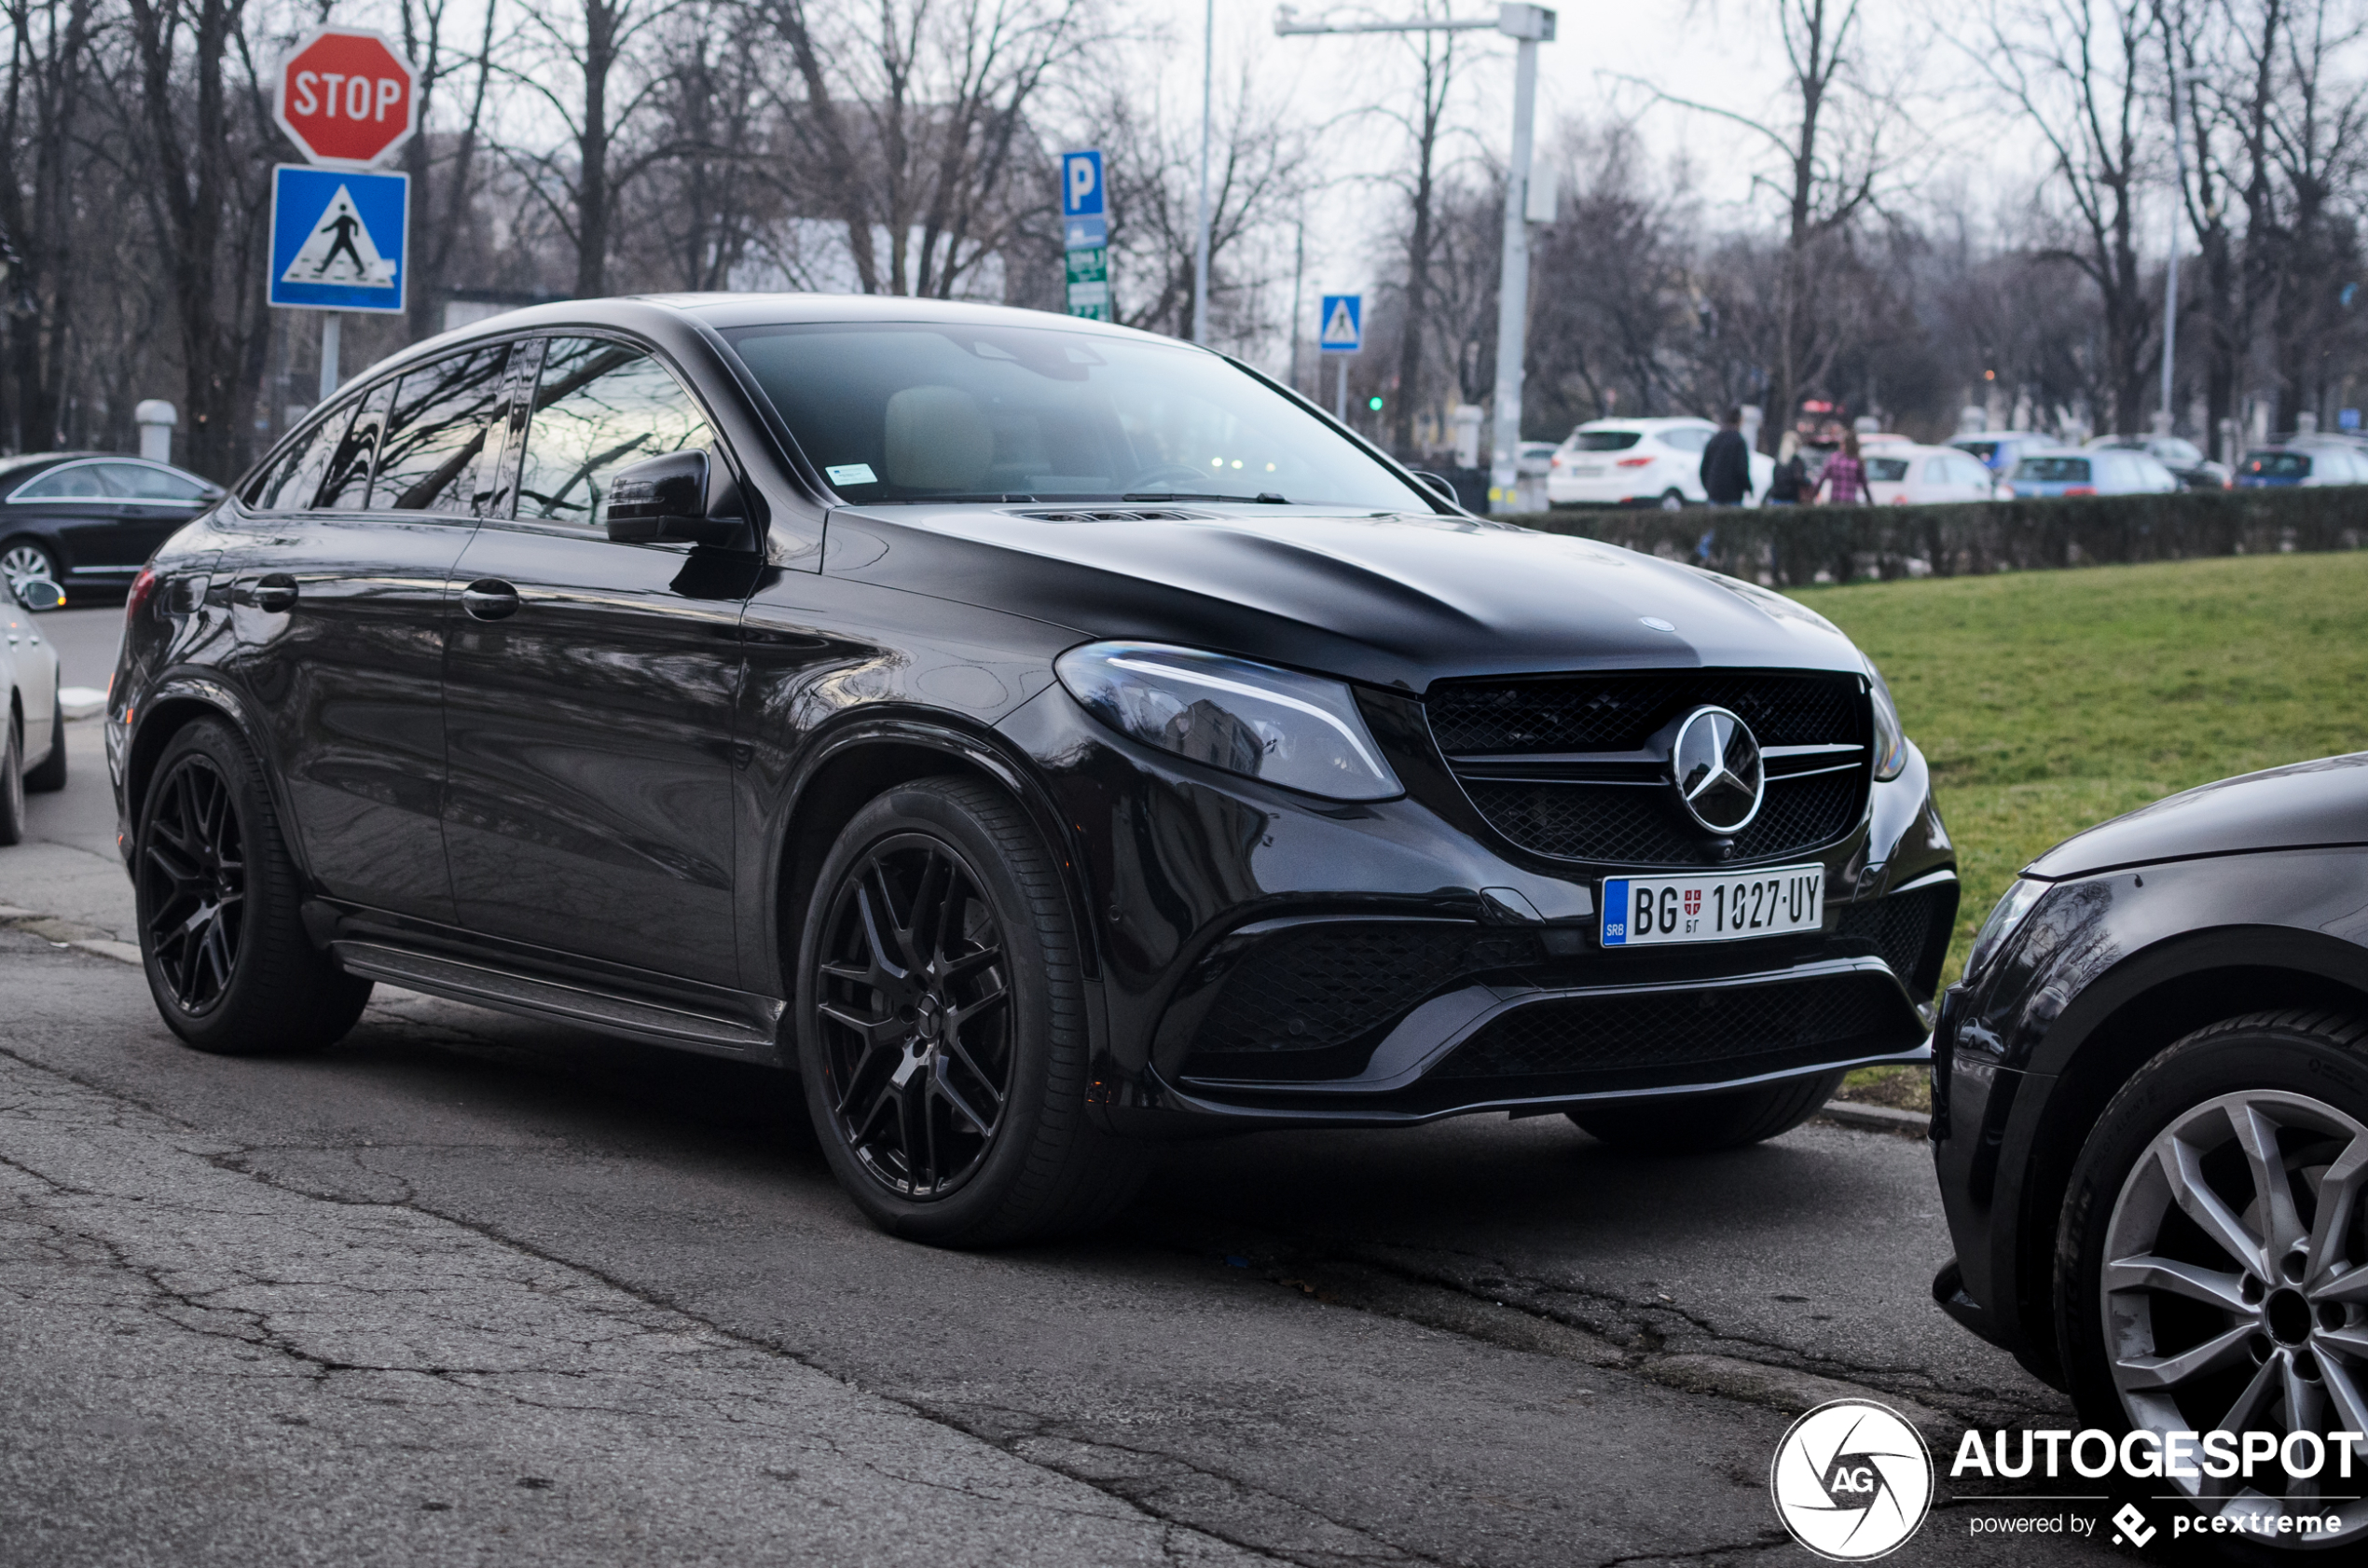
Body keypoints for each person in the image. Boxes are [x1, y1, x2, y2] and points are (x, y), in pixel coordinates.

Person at [1700, 406, 1753, 506]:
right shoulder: (1739, 441)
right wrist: (1748, 487)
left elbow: (1704, 468)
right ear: (1739, 421)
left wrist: (1709, 487)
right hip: (1733, 495)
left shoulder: (1715, 439)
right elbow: (1741, 469)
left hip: (1714, 493)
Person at [1816, 431, 1870, 505]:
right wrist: (1871, 502)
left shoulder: (1834, 459)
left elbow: (1821, 478)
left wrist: (1813, 496)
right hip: (1850, 502)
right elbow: (1864, 485)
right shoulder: (1857, 462)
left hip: (1835, 502)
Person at [1767, 432, 1806, 505]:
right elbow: (1799, 479)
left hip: (1776, 498)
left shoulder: (1778, 460)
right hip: (1791, 499)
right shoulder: (1797, 461)